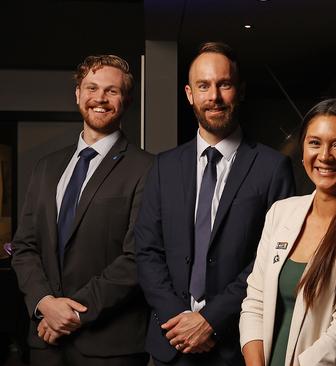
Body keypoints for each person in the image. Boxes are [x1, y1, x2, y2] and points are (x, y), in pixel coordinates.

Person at [135, 41, 295, 366]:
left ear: (240, 90)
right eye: (203, 86)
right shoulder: (164, 166)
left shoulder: (272, 167)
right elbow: (147, 251)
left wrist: (210, 320)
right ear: (189, 94)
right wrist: (179, 320)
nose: (214, 97)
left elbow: (273, 258)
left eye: (224, 84)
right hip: (169, 344)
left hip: (234, 346)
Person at [11, 54, 153, 365]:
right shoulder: (46, 168)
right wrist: (45, 303)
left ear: (127, 100)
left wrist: (70, 312)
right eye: (91, 88)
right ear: (78, 94)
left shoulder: (148, 168)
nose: (99, 98)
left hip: (110, 347)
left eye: (111, 91)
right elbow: (24, 247)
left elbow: (137, 257)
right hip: (45, 343)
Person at [239, 98, 336, 366]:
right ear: (302, 150)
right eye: (314, 142)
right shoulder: (282, 212)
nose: (324, 156)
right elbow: (255, 302)